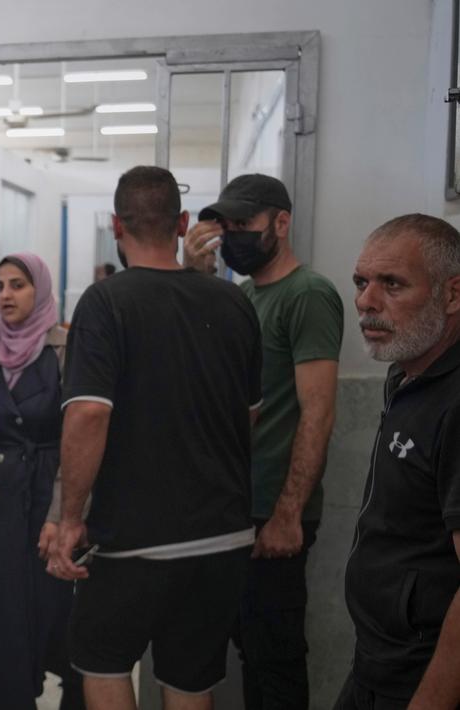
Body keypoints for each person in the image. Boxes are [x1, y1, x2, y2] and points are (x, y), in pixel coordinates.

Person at [46, 166, 263, 710]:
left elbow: (88, 415)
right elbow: (249, 418)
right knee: (190, 682)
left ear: (117, 226)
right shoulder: (234, 304)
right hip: (222, 538)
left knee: (105, 664)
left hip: (132, 543)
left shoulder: (105, 303)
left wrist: (69, 518)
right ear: (182, 223)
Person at [186, 174, 343, 710]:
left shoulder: (308, 294)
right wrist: (197, 279)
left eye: (243, 224)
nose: (233, 236)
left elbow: (317, 411)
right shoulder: (243, 296)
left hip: (272, 510)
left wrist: (288, 514)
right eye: (225, 226)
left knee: (274, 657)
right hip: (233, 507)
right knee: (247, 647)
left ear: (281, 222)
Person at [337, 214, 460, 710]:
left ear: (452, 294)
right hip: (377, 663)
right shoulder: (408, 376)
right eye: (361, 282)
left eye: (392, 284)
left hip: (420, 677)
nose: (366, 301)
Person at [0, 253, 84, 710]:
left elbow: (77, 438)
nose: (6, 295)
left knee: (55, 610)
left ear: (40, 289)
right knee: (3, 618)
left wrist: (63, 513)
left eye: (18, 284)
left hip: (48, 497)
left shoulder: (63, 349)